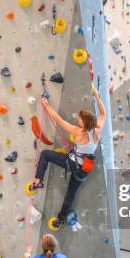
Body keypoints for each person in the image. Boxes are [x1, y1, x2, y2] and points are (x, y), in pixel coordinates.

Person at [30, 83, 105, 229]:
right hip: (84, 170)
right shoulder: (97, 131)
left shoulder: (78, 131)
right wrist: (96, 95)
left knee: (45, 154)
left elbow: (58, 120)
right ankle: (61, 220)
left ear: (84, 122)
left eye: (80, 118)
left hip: (72, 163)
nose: (78, 119)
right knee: (70, 194)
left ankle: (38, 180)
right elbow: (103, 114)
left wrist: (46, 105)